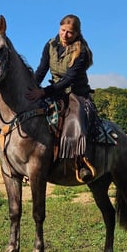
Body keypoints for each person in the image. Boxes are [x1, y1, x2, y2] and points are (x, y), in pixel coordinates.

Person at [26, 14, 96, 183]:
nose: (65, 35)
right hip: (54, 91)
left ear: (77, 33)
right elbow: (41, 70)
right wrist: (32, 88)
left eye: (70, 33)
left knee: (76, 121)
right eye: (63, 30)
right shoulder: (50, 45)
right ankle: (29, 160)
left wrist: (43, 92)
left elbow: (69, 79)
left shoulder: (82, 51)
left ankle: (81, 161)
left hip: (76, 93)